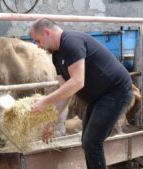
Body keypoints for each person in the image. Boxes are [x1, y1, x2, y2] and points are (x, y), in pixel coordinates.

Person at [30, 18, 133, 169]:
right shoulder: (56, 56)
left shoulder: (71, 43)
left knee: (92, 142)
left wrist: (44, 102)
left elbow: (78, 82)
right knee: (87, 141)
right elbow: (65, 91)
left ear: (47, 32)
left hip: (116, 92)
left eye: (38, 41)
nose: (38, 46)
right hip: (99, 98)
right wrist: (53, 121)